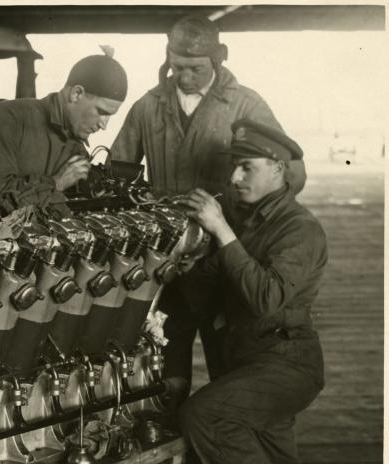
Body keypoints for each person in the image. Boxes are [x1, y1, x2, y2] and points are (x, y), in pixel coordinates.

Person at [111, 14, 307, 401]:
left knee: (229, 360)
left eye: (195, 68)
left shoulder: (246, 104)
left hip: (226, 257)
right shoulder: (147, 107)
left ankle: (220, 436)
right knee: (163, 353)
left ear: (220, 59)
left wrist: (247, 223)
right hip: (164, 259)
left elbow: (293, 175)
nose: (184, 76)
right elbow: (118, 175)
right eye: (177, 66)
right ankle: (166, 431)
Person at [176, 119, 327, 464]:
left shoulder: (300, 228)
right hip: (247, 362)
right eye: (234, 168)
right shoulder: (250, 224)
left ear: (278, 169)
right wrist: (190, 263)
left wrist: (221, 231)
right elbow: (204, 300)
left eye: (247, 167)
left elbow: (264, 299)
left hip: (287, 364)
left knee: (204, 415)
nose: (233, 178)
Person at [0, 54, 128, 217]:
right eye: (101, 112)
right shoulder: (9, 118)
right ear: (76, 94)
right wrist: (55, 183)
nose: (104, 125)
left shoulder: (75, 144)